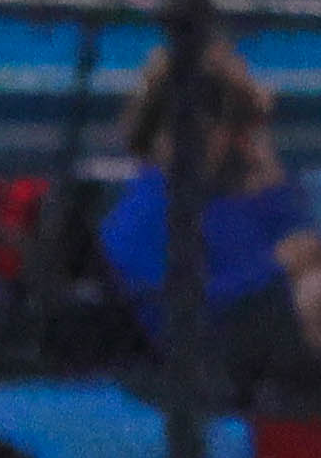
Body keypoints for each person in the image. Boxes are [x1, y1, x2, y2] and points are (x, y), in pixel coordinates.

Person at [98, 38, 321, 392]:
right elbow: (183, 311)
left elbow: (301, 241)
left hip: (261, 345)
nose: (202, 135)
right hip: (201, 356)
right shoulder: (143, 211)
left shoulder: (237, 198)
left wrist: (272, 182)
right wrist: (276, 267)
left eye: (218, 119)